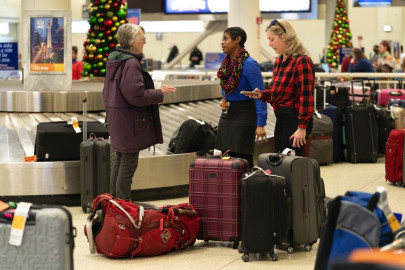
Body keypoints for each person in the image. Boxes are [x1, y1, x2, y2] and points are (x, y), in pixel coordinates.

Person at [103, 24, 176, 201]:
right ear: (132, 42)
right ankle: (123, 205)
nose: (145, 41)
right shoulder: (131, 63)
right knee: (127, 164)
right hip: (128, 121)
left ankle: (115, 202)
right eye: (142, 38)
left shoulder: (115, 60)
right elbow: (135, 95)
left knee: (120, 160)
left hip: (117, 118)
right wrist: (160, 92)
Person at [243, 19, 314, 156]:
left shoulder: (301, 61)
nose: (269, 44)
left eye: (272, 39)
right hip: (281, 119)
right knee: (281, 162)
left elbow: (306, 97)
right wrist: (262, 95)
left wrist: (302, 127)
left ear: (284, 36)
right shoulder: (279, 62)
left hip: (295, 121)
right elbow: (277, 91)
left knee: (294, 164)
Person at [215, 27, 268, 168]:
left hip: (244, 115)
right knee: (225, 156)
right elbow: (227, 87)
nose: (222, 42)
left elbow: (259, 95)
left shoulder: (249, 64)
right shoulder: (226, 65)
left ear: (237, 40)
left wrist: (261, 123)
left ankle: (245, 187)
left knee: (242, 157)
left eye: (225, 39)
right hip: (227, 114)